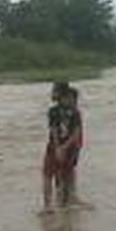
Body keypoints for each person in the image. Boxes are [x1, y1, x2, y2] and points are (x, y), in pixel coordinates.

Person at [42, 82, 83, 211]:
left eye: (54, 91)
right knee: (64, 174)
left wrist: (59, 148)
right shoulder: (74, 112)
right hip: (66, 147)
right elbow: (75, 133)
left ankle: (50, 205)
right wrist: (63, 148)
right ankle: (66, 202)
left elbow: (54, 131)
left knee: (49, 174)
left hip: (58, 147)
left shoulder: (54, 111)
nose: (52, 94)